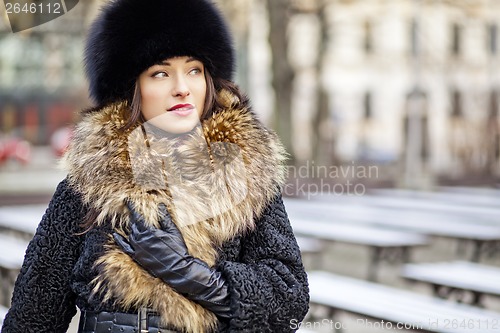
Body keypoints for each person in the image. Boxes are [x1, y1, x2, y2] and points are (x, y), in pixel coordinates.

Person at [1, 0, 309, 332]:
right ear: (131, 88)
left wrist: (193, 275)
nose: (182, 88)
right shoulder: (88, 186)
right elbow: (33, 315)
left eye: (194, 70)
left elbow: (289, 296)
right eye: (160, 73)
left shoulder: (247, 175)